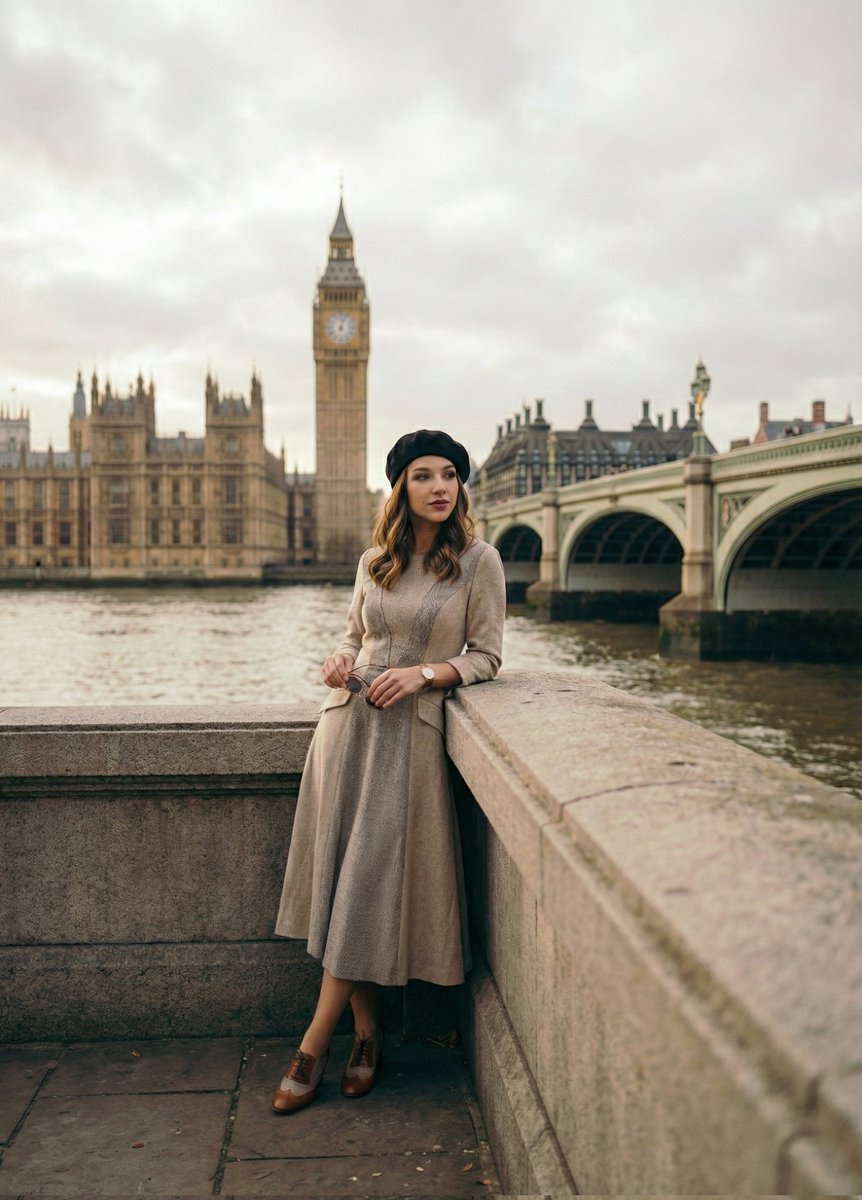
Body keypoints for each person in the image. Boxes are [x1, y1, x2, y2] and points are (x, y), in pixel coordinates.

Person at [271, 429, 506, 1114]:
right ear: (400, 486)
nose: (439, 487)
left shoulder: (479, 562)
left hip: (408, 741)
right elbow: (354, 636)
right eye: (423, 475)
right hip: (346, 729)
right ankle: (368, 1034)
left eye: (450, 474)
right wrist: (337, 660)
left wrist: (424, 674)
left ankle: (314, 1043)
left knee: (367, 883)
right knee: (348, 883)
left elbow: (487, 656)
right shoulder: (374, 560)